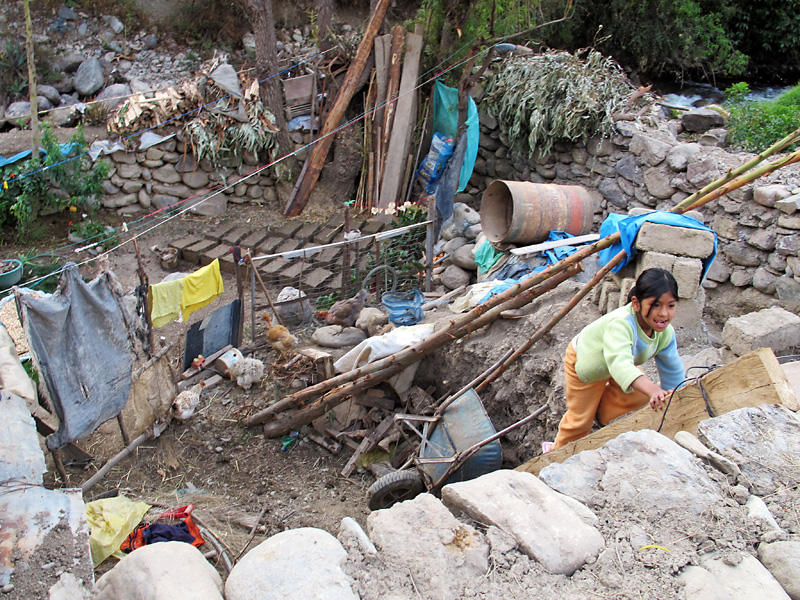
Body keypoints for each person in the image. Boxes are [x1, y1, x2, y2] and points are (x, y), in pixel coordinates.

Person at [552, 268, 685, 450]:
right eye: (655, 305)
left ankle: (601, 414)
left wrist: (678, 397)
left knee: (639, 396)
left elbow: (673, 370)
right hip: (589, 364)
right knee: (580, 421)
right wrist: (654, 389)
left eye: (671, 305)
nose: (664, 313)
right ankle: (555, 455)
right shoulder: (621, 324)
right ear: (636, 304)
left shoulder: (666, 333)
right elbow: (619, 364)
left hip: (620, 362)